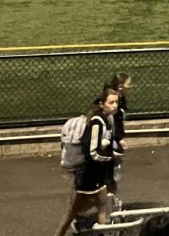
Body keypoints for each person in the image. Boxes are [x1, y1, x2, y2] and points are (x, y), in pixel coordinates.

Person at [55, 87, 120, 236]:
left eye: (116, 102)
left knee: (102, 206)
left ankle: (102, 233)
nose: (115, 105)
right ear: (102, 104)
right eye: (111, 102)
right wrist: (110, 157)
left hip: (98, 175)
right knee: (72, 212)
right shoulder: (97, 122)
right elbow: (92, 151)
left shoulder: (107, 119)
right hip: (88, 178)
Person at [106, 72, 132, 194]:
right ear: (120, 86)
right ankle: (109, 201)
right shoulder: (114, 100)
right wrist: (119, 139)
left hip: (113, 138)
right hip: (110, 140)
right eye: (129, 84)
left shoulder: (119, 99)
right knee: (112, 170)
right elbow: (113, 122)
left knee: (113, 169)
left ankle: (110, 200)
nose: (131, 86)